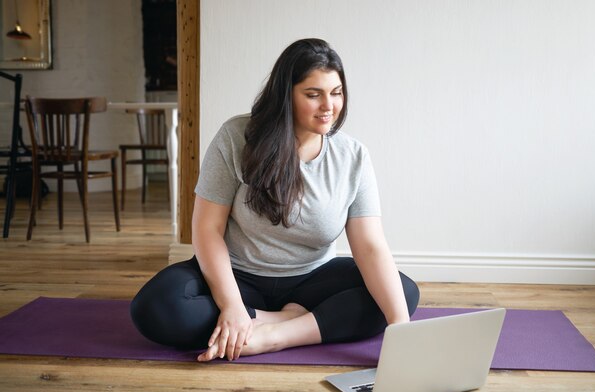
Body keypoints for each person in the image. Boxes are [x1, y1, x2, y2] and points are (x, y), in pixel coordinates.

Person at [131, 38, 419, 362]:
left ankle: (276, 335)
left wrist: (401, 330)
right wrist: (232, 306)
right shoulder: (236, 137)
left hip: (313, 281)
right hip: (239, 276)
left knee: (402, 294)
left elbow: (369, 246)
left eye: (336, 93)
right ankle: (278, 319)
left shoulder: (353, 156)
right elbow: (207, 228)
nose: (329, 106)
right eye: (314, 94)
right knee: (155, 307)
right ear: (286, 94)